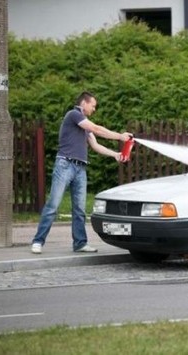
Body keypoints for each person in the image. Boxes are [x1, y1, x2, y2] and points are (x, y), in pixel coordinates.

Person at [31, 91, 132, 254]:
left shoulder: (84, 125)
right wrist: (120, 136)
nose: (94, 109)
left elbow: (96, 145)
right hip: (65, 164)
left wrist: (115, 155)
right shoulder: (73, 115)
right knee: (53, 205)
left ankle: (80, 243)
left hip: (80, 168)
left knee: (79, 209)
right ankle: (38, 241)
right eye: (93, 106)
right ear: (84, 103)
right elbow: (96, 128)